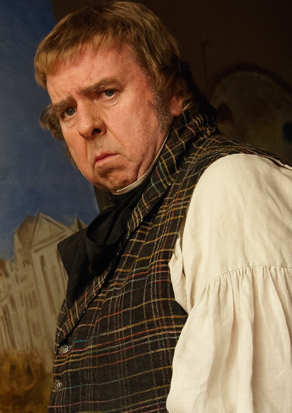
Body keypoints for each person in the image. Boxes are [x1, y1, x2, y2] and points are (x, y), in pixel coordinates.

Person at [34, 2, 292, 412]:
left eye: (107, 92)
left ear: (173, 93)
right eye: (68, 111)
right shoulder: (131, 220)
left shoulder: (229, 187)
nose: (86, 125)